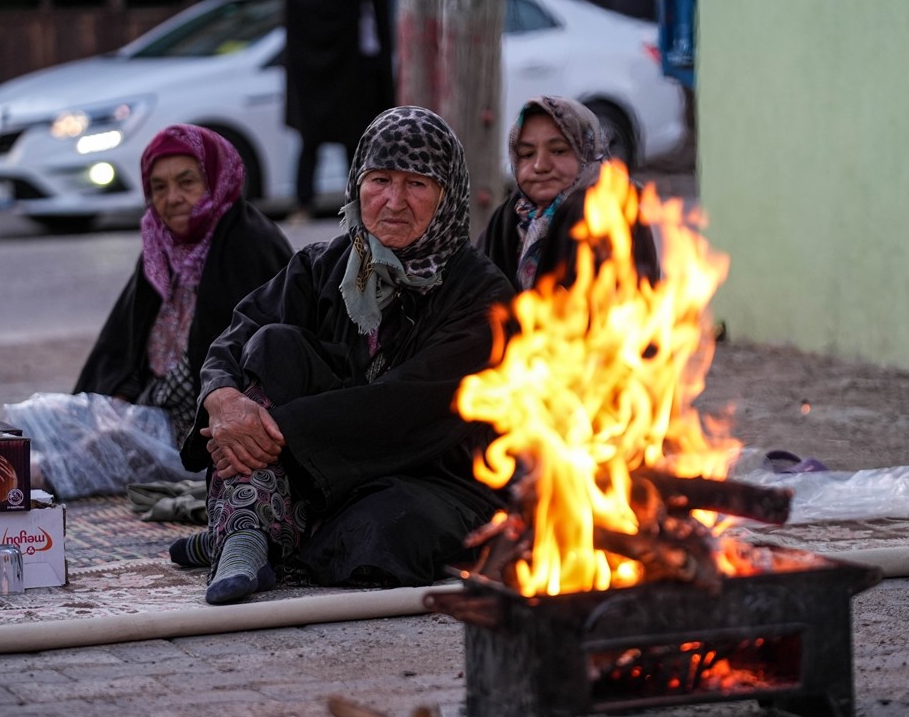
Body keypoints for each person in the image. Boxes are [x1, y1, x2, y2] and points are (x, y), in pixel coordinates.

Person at [174, 106, 515, 605]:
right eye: (380, 180)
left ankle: (261, 530)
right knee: (273, 343)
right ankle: (249, 531)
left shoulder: (482, 294)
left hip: (435, 473)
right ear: (357, 184)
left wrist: (274, 432)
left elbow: (411, 404)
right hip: (316, 462)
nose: (394, 201)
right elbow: (238, 331)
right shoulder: (324, 264)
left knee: (389, 532)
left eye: (417, 184)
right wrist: (223, 400)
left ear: (448, 195)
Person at [3, 125, 294, 500]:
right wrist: (117, 401)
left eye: (188, 182)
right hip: (149, 410)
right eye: (159, 187)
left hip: (200, 429)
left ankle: (22, 481)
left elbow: (235, 362)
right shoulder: (163, 245)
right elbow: (123, 346)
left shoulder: (248, 245)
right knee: (39, 416)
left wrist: (130, 415)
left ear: (217, 181)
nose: (172, 198)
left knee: (104, 443)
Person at [478, 95, 662, 291]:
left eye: (558, 151)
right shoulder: (506, 219)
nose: (540, 166)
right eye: (527, 154)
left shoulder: (610, 214)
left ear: (587, 154)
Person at [284, 0, 395, 222]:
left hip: (363, 65)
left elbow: (382, 8)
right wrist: (351, 5)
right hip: (321, 68)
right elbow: (306, 15)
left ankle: (360, 202)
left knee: (359, 139)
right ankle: (303, 202)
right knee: (311, 139)